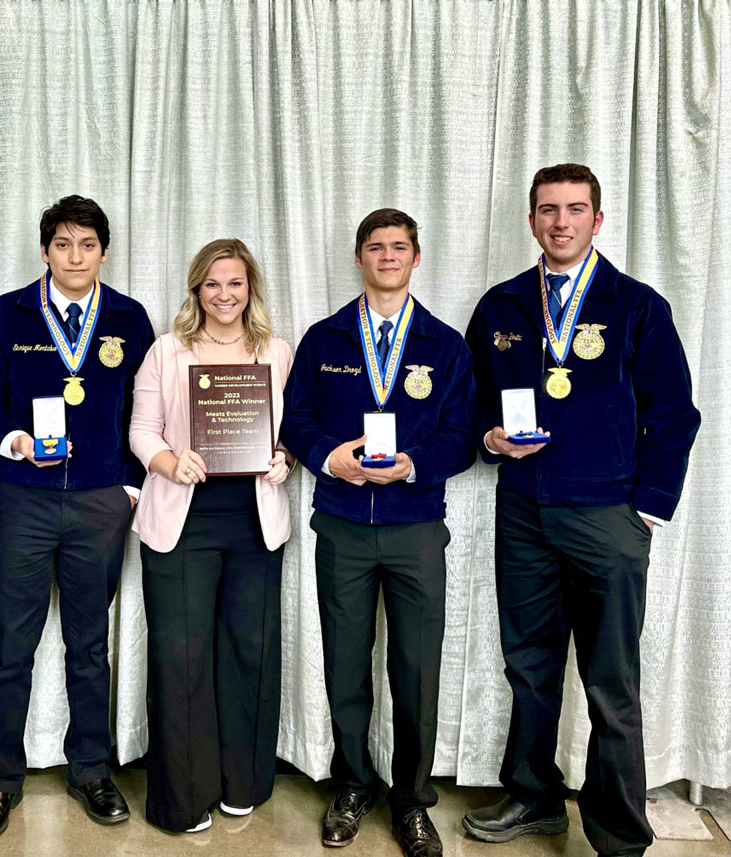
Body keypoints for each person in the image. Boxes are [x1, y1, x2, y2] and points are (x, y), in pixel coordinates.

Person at [461, 164, 701, 857]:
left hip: (608, 517)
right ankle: (534, 795)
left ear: (598, 220)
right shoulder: (502, 306)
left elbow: (675, 415)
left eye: (574, 210)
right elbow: (471, 399)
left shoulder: (636, 305)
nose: (560, 222)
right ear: (531, 220)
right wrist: (488, 435)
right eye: (547, 210)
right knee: (529, 664)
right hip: (525, 512)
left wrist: (646, 510)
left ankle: (620, 835)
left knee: (610, 681)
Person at [281, 209, 476, 857]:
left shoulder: (445, 345)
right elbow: (296, 420)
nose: (387, 256)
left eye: (399, 247)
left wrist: (414, 465)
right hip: (341, 524)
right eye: (375, 246)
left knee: (417, 670)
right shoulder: (326, 338)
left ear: (416, 258)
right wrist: (329, 457)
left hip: (416, 527)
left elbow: (462, 435)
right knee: (345, 664)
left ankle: (413, 802)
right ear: (359, 257)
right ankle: (353, 783)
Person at [0, 195, 154, 840]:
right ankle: (0, 779)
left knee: (88, 645)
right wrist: (11, 440)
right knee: (12, 644)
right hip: (24, 499)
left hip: (101, 501)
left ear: (104, 251)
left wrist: (129, 487)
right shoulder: (9, 313)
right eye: (63, 245)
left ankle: (91, 770)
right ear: (45, 250)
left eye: (88, 245)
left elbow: (145, 407)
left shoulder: (128, 318)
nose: (76, 257)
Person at [129, 238, 293, 834]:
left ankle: (241, 782)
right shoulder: (166, 351)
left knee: (249, 653)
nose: (225, 295)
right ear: (197, 289)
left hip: (254, 523)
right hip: (182, 521)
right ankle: (182, 797)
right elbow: (142, 430)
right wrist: (170, 463)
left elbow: (293, 428)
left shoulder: (277, 352)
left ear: (251, 289)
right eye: (213, 284)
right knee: (182, 659)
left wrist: (285, 457)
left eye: (236, 283)